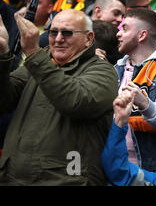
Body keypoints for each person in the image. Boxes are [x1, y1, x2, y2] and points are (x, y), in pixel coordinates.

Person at [0, 9, 118, 185]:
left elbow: (75, 102)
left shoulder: (103, 71)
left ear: (89, 38)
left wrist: (33, 52)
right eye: (53, 32)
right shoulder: (39, 63)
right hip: (14, 177)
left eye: (67, 33)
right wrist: (2, 55)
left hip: (66, 180)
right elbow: (4, 100)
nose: (58, 39)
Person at [115, 9, 156, 172]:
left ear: (141, 35)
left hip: (149, 171)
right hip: (112, 166)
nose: (118, 34)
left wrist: (145, 104)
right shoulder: (115, 70)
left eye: (125, 29)